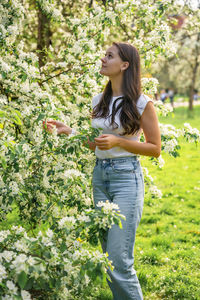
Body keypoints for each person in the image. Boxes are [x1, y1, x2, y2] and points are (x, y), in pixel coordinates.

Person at [45, 42, 161, 300]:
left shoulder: (143, 103)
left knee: (119, 261)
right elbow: (96, 144)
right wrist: (70, 132)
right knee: (108, 259)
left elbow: (155, 149)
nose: (103, 59)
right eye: (104, 55)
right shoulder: (99, 101)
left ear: (125, 65)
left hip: (126, 179)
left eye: (109, 56)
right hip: (100, 177)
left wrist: (120, 141)